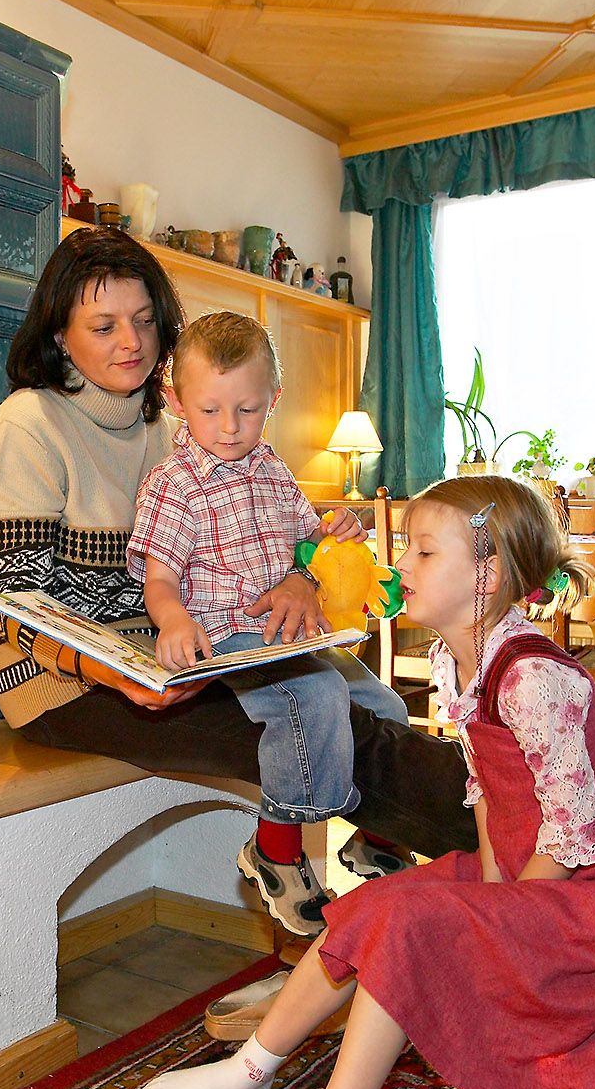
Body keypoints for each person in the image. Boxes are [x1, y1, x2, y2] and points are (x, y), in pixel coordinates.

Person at [0, 229, 595, 918]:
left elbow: (261, 541)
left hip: (205, 647)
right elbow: (20, 611)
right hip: (74, 683)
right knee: (335, 725)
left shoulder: (182, 424)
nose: (132, 340)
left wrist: (299, 580)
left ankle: (540, 822)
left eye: (145, 319)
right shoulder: (26, 431)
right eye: (103, 325)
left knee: (367, 694)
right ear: (59, 335)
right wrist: (115, 672)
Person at [137, 474, 595, 1089]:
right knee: (365, 908)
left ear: (487, 574)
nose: (400, 562)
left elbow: (571, 835)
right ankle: (251, 1068)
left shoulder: (534, 678)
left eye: (423, 549)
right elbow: (490, 794)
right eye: (405, 545)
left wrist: (505, 912)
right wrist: (490, 887)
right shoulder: (458, 659)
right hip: (523, 874)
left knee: (409, 928)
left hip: (587, 905)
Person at [130, 312, 409, 936]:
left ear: (273, 402)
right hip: (228, 636)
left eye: (248, 411)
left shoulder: (273, 468)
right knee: (313, 695)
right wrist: (171, 620)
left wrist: (335, 534)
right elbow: (159, 577)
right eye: (209, 411)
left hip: (296, 632)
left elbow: (308, 545)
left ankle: (378, 835)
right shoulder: (173, 486)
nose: (229, 429)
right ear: (177, 402)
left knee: (385, 704)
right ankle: (278, 848)